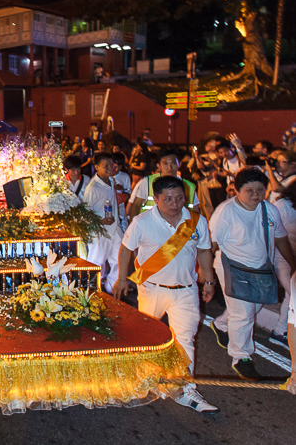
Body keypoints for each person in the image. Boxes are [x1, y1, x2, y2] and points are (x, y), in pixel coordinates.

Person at [114, 176, 218, 412]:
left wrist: (209, 280)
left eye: (179, 198)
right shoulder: (142, 222)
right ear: (157, 199)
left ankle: (185, 387)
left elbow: (204, 252)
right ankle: (145, 380)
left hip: (186, 291)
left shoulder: (196, 221)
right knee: (148, 339)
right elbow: (126, 249)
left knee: (185, 340)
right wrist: (122, 279)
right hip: (152, 290)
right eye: (168, 199)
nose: (175, 203)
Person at [209, 168, 296, 380]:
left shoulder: (269, 210)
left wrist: (293, 265)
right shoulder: (225, 212)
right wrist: (206, 276)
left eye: (260, 189)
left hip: (259, 268)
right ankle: (241, 357)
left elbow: (280, 239)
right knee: (244, 313)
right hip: (231, 266)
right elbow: (210, 244)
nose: (255, 194)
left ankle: (220, 324)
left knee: (253, 307)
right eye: (249, 190)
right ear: (237, 190)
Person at [82, 153, 122, 293]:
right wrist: (101, 220)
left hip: (114, 229)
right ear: (97, 167)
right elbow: (86, 213)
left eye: (112, 165)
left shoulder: (111, 181)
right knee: (97, 261)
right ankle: (91, 291)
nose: (110, 168)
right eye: (106, 166)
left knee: (118, 259)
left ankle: (112, 288)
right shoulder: (92, 188)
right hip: (99, 231)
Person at [127, 151, 199, 222]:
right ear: (159, 166)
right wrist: (133, 226)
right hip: (151, 227)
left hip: (180, 230)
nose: (169, 167)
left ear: (179, 164)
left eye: (173, 163)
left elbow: (195, 210)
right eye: (165, 164)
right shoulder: (147, 182)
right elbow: (136, 205)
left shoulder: (189, 186)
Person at [270, 182, 296, 348]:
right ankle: (223, 324)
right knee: (293, 294)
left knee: (291, 295)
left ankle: (279, 332)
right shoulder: (282, 206)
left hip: (293, 258)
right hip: (282, 258)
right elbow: (269, 232)